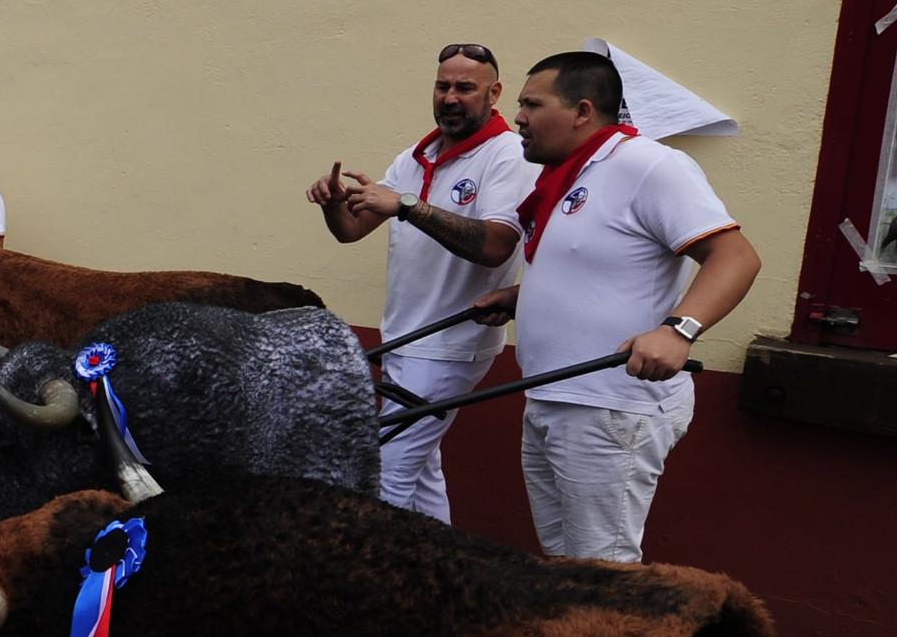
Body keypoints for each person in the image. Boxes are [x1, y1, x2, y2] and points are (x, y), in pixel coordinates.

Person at [473, 50, 760, 562]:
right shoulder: (567, 176)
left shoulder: (646, 165)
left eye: (532, 104)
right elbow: (598, 262)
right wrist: (525, 297)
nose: (518, 117)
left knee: (604, 570)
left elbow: (734, 257)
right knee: (563, 561)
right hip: (551, 396)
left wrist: (678, 331)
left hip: (610, 405)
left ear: (582, 111)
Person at [305, 43, 538, 521]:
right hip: (403, 337)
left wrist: (408, 206)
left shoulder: (507, 154)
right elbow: (351, 232)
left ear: (494, 93)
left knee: (385, 472)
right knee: (422, 477)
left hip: (450, 344)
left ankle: (378, 583)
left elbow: (497, 245)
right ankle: (443, 577)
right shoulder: (415, 155)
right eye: (442, 86)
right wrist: (333, 203)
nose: (450, 97)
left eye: (465, 88)